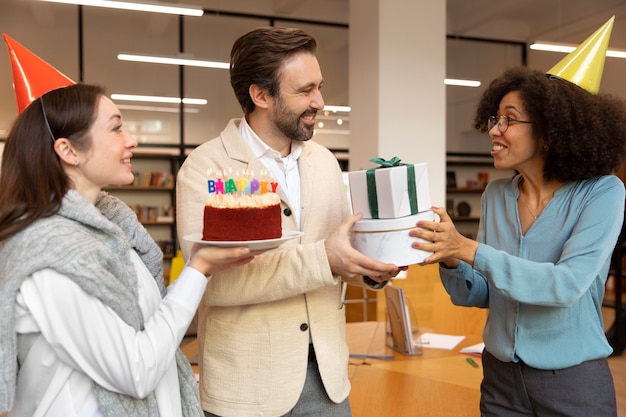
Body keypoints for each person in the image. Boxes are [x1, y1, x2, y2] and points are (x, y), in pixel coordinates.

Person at [0, 35, 262, 417]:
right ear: (68, 151)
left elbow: (150, 328)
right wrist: (198, 269)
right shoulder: (52, 255)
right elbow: (136, 370)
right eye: (116, 128)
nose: (132, 139)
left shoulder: (112, 233)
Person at [176, 26, 403, 416]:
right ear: (261, 95)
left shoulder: (325, 162)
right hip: (248, 391)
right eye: (304, 91)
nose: (320, 101)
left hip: (329, 381)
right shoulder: (205, 168)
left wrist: (369, 269)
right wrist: (326, 259)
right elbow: (214, 282)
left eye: (319, 86)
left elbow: (336, 253)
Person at [410, 18, 626, 417]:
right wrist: (453, 257)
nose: (495, 129)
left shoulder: (602, 192)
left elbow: (566, 286)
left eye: (509, 119)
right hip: (500, 380)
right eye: (494, 119)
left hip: (573, 381)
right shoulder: (496, 195)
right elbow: (480, 293)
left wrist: (471, 250)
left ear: (550, 132)